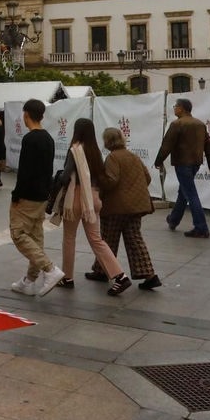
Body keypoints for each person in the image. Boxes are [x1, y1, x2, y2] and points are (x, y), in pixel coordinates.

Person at [52, 118, 130, 295]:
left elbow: (65, 176)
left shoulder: (75, 150)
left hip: (77, 198)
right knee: (96, 239)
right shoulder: (96, 151)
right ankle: (120, 276)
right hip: (94, 198)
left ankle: (68, 278)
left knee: (69, 237)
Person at [89, 127, 161, 290]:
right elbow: (147, 178)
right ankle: (150, 275)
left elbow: (111, 181)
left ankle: (102, 271)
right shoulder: (133, 156)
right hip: (135, 207)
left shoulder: (112, 158)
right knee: (135, 240)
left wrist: (98, 181)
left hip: (116, 207)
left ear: (108, 141)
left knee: (108, 239)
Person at [9, 99, 63, 296]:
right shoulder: (48, 138)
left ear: (26, 115)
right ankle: (29, 281)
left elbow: (25, 171)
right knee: (36, 237)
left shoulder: (30, 139)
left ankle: (50, 269)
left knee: (19, 234)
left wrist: (16, 195)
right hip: (42, 195)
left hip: (27, 196)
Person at [154, 98, 210, 238]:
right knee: (184, 192)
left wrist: (158, 161)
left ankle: (201, 227)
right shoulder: (200, 124)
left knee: (190, 194)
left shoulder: (177, 124)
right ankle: (174, 219)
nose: (174, 108)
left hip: (183, 163)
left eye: (175, 106)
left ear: (181, 108)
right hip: (195, 162)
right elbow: (208, 146)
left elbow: (167, 145)